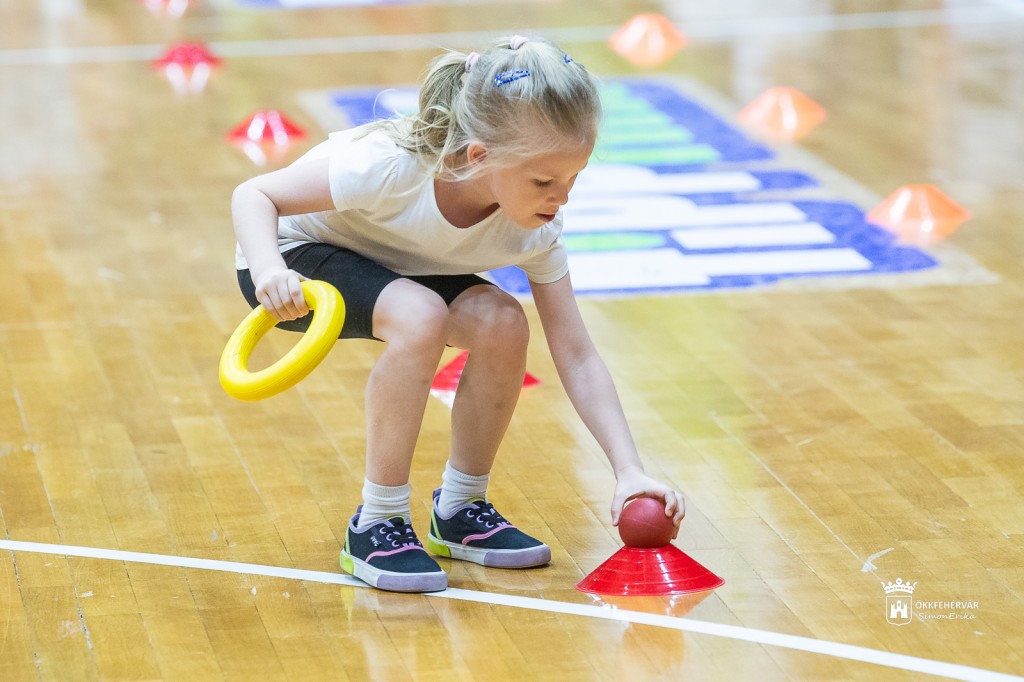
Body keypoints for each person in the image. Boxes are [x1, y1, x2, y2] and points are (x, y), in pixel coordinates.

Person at [231, 35, 686, 593]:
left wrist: (628, 468)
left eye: (573, 177)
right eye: (544, 181)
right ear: (479, 156)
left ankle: (461, 508)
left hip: (402, 267)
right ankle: (377, 521)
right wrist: (268, 270)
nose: (561, 197)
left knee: (503, 323)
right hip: (291, 260)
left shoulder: (537, 230)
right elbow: (254, 194)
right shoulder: (391, 165)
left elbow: (577, 354)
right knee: (419, 314)